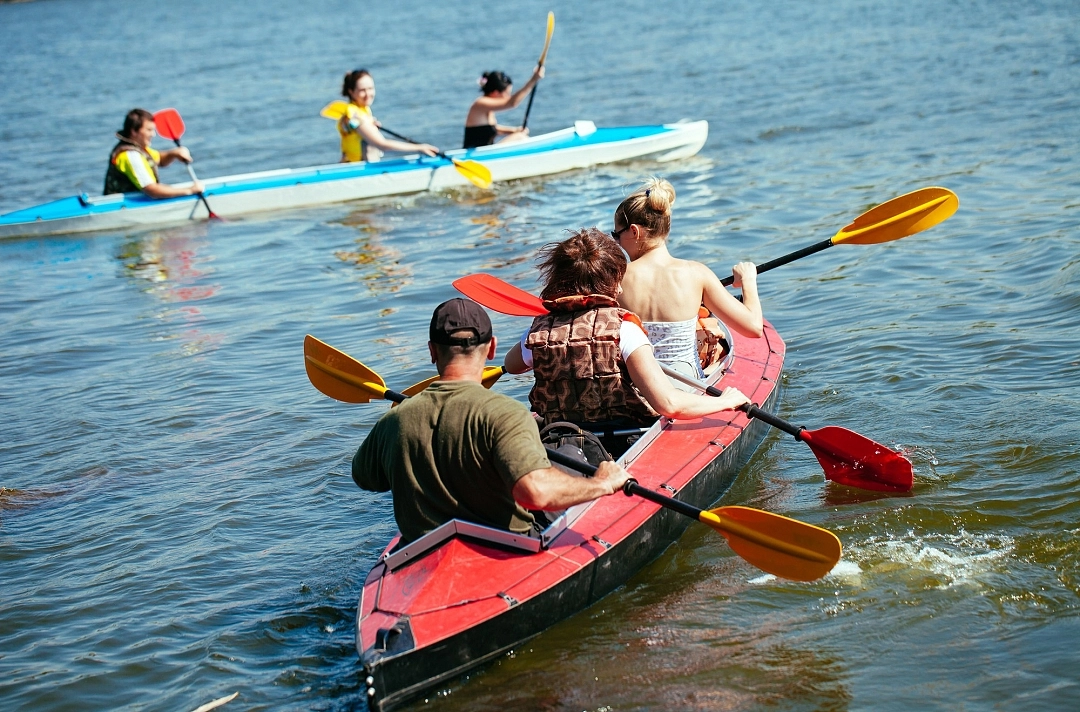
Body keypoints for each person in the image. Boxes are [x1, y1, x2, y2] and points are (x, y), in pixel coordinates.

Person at [352, 298, 631, 545]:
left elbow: (365, 478)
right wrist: (603, 483)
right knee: (569, 452)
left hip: (422, 549)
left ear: (432, 351)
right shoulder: (505, 413)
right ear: (492, 348)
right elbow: (535, 493)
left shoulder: (394, 420)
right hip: (508, 544)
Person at [504, 229, 751, 455]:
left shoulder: (536, 333)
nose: (620, 290)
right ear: (609, 281)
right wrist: (724, 402)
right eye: (617, 279)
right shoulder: (625, 330)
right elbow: (669, 404)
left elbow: (511, 365)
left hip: (561, 440)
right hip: (622, 443)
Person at [613, 177, 764, 380]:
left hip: (640, 390)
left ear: (634, 231)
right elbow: (753, 328)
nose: (617, 242)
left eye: (616, 234)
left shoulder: (615, 279)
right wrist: (748, 281)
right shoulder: (696, 274)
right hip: (687, 384)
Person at [337, 69, 439, 163]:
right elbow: (382, 145)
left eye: (370, 88)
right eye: (362, 90)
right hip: (357, 168)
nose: (368, 94)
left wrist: (371, 127)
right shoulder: (356, 116)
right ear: (351, 92)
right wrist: (419, 148)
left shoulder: (361, 109)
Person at [103, 109, 205, 198]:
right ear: (134, 131)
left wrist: (174, 153)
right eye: (149, 130)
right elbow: (152, 190)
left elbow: (160, 159)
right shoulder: (131, 156)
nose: (153, 134)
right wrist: (189, 190)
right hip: (123, 205)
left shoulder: (139, 148)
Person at [463, 66, 545, 149]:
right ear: (495, 93)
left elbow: (491, 129)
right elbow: (511, 103)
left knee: (519, 135)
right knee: (520, 137)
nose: (508, 97)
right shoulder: (480, 103)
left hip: (484, 152)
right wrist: (533, 79)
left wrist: (514, 130)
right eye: (507, 94)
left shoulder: (487, 107)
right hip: (475, 156)